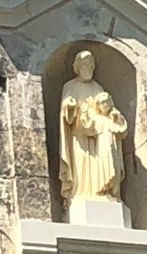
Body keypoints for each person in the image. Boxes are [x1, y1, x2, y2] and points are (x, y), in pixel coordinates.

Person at [59, 50, 128, 206]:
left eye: (90, 64)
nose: (88, 67)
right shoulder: (70, 86)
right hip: (79, 137)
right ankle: (79, 194)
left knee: (103, 160)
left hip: (99, 136)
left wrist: (111, 116)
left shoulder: (97, 87)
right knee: (82, 168)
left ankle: (106, 189)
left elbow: (106, 107)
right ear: (77, 67)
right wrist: (69, 106)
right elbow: (66, 113)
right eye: (84, 64)